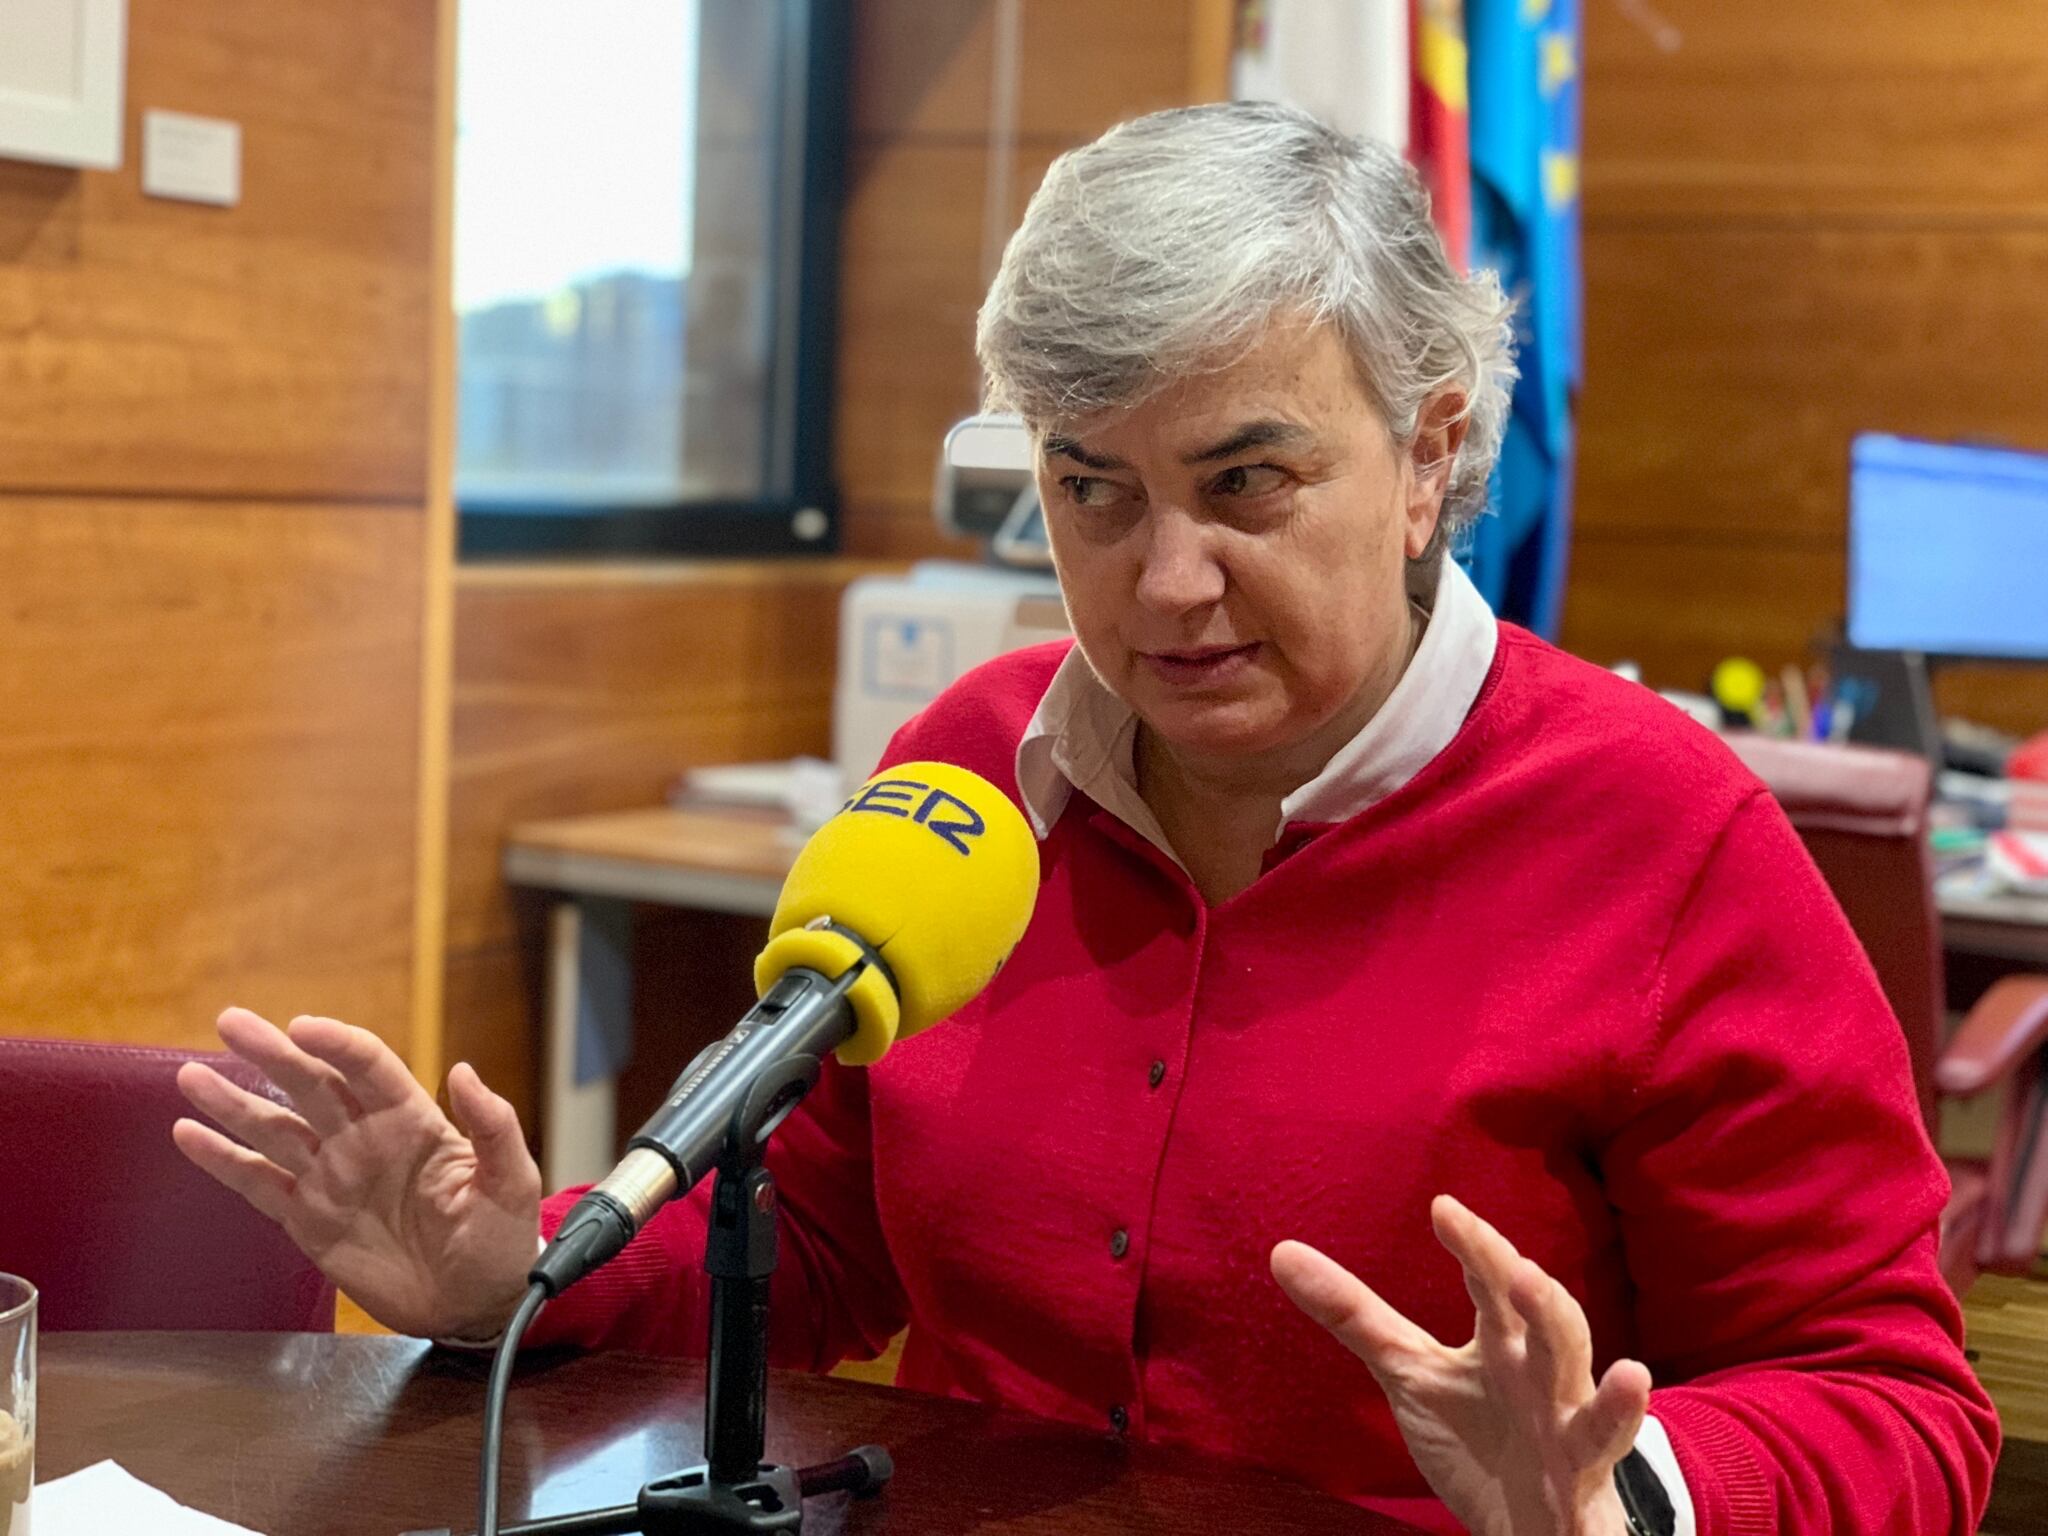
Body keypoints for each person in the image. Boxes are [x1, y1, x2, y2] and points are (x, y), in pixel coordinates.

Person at [172, 103, 1997, 1535]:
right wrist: (521, 1272)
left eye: (1246, 482)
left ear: (1435, 447)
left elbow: (1900, 1407)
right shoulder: (967, 776)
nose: (1165, 582)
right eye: (1090, 490)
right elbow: (811, 1248)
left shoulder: (1662, 839)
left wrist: (1632, 1497)